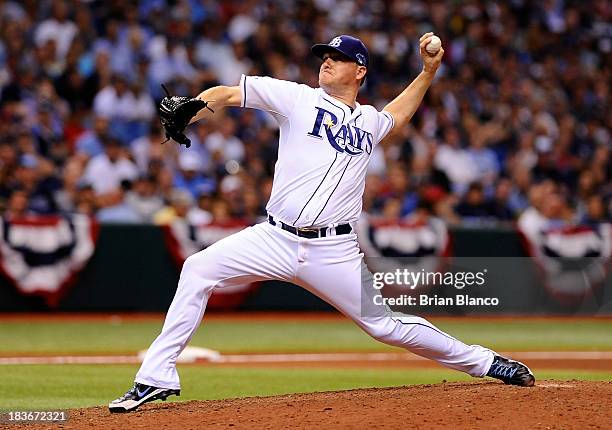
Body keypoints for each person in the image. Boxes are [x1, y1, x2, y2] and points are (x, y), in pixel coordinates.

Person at [109, 33, 535, 413]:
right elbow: (228, 93)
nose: (326, 61)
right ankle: (155, 377)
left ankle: (486, 362)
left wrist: (428, 72)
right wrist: (195, 108)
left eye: (338, 56)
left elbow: (398, 114)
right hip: (274, 237)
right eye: (324, 55)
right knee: (198, 268)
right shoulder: (296, 98)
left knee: (385, 325)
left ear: (360, 70)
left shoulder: (369, 120)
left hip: (335, 252)